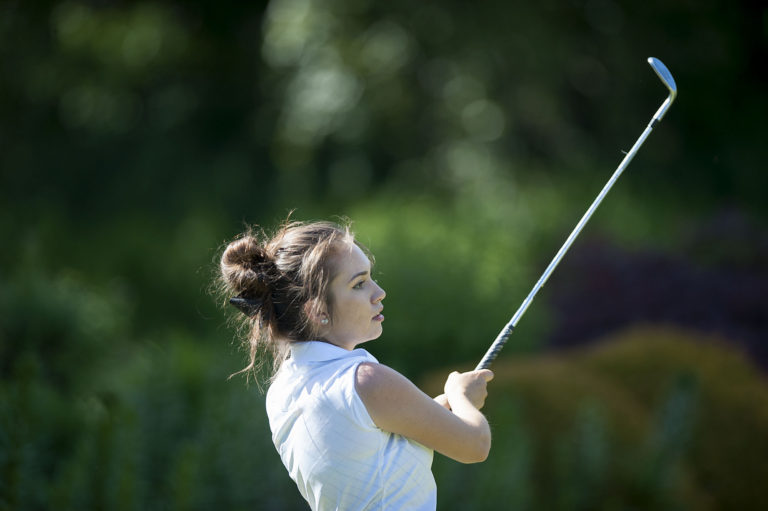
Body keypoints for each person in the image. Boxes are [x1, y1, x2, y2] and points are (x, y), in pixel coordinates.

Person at [217, 219, 493, 511]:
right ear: (317, 310)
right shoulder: (364, 380)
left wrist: (445, 405)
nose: (379, 292)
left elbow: (371, 446)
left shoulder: (283, 390)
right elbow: (475, 445)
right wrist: (462, 396)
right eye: (359, 284)